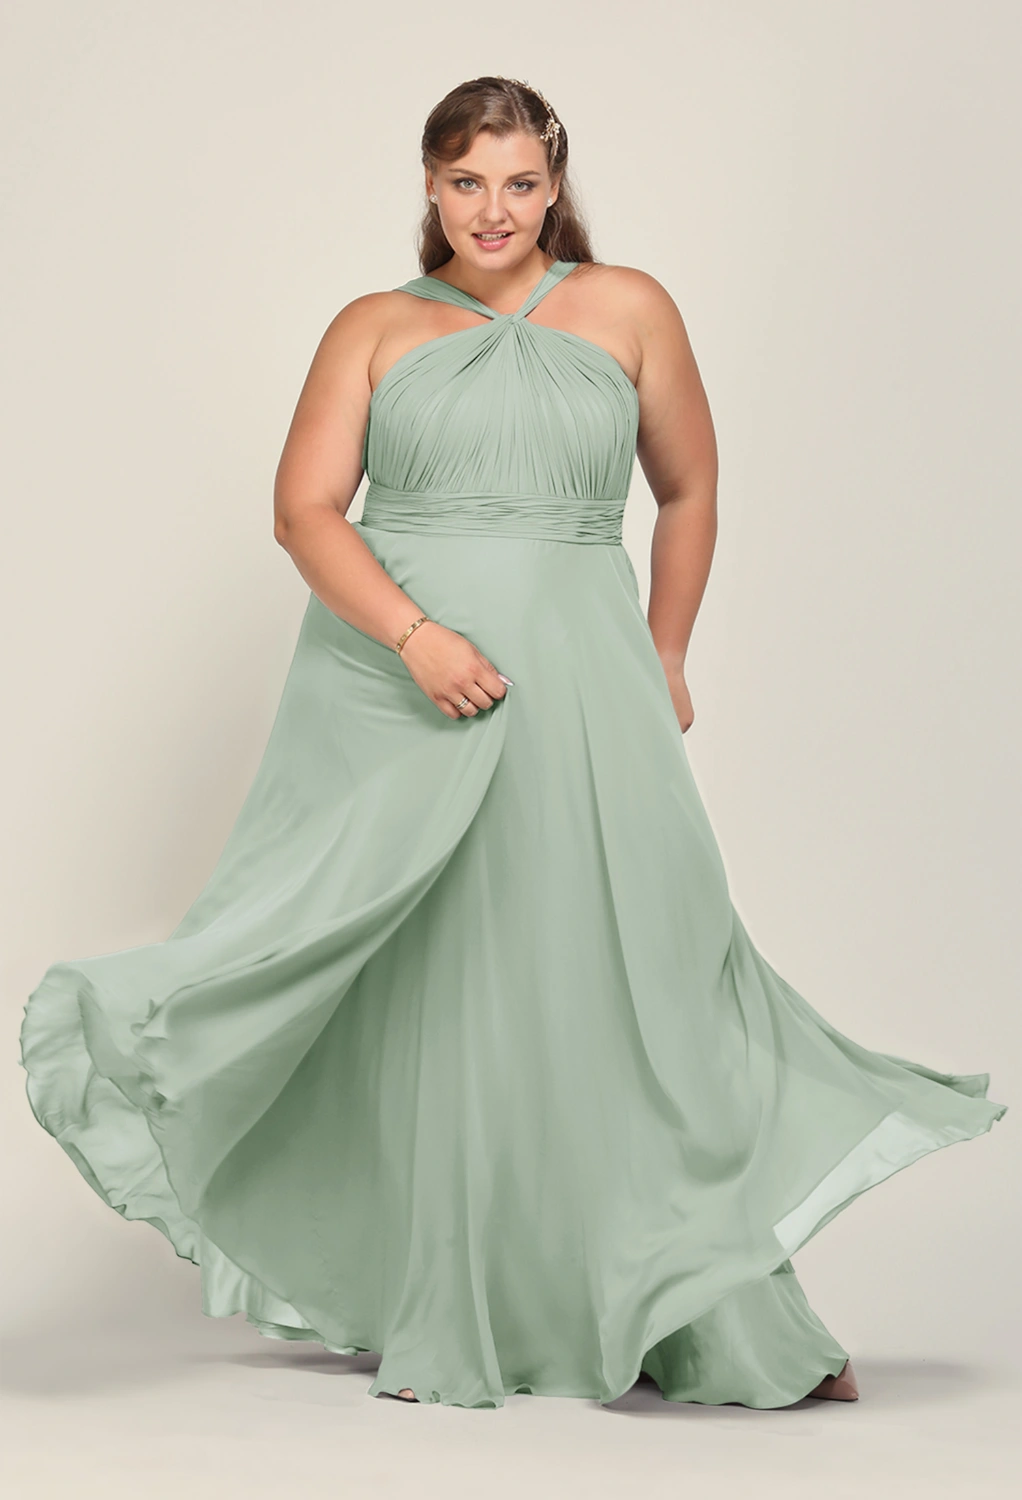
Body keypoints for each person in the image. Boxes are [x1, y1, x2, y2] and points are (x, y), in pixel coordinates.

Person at [20, 75, 1006, 1411]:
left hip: (582, 674)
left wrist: (665, 652)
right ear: (430, 186)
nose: (494, 210)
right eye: (467, 183)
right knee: (429, 978)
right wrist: (416, 638)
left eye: (521, 183)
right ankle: (446, 1293)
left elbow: (689, 486)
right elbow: (305, 510)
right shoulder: (373, 326)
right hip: (398, 685)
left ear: (555, 184)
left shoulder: (628, 305)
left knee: (628, 971)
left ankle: (699, 1305)